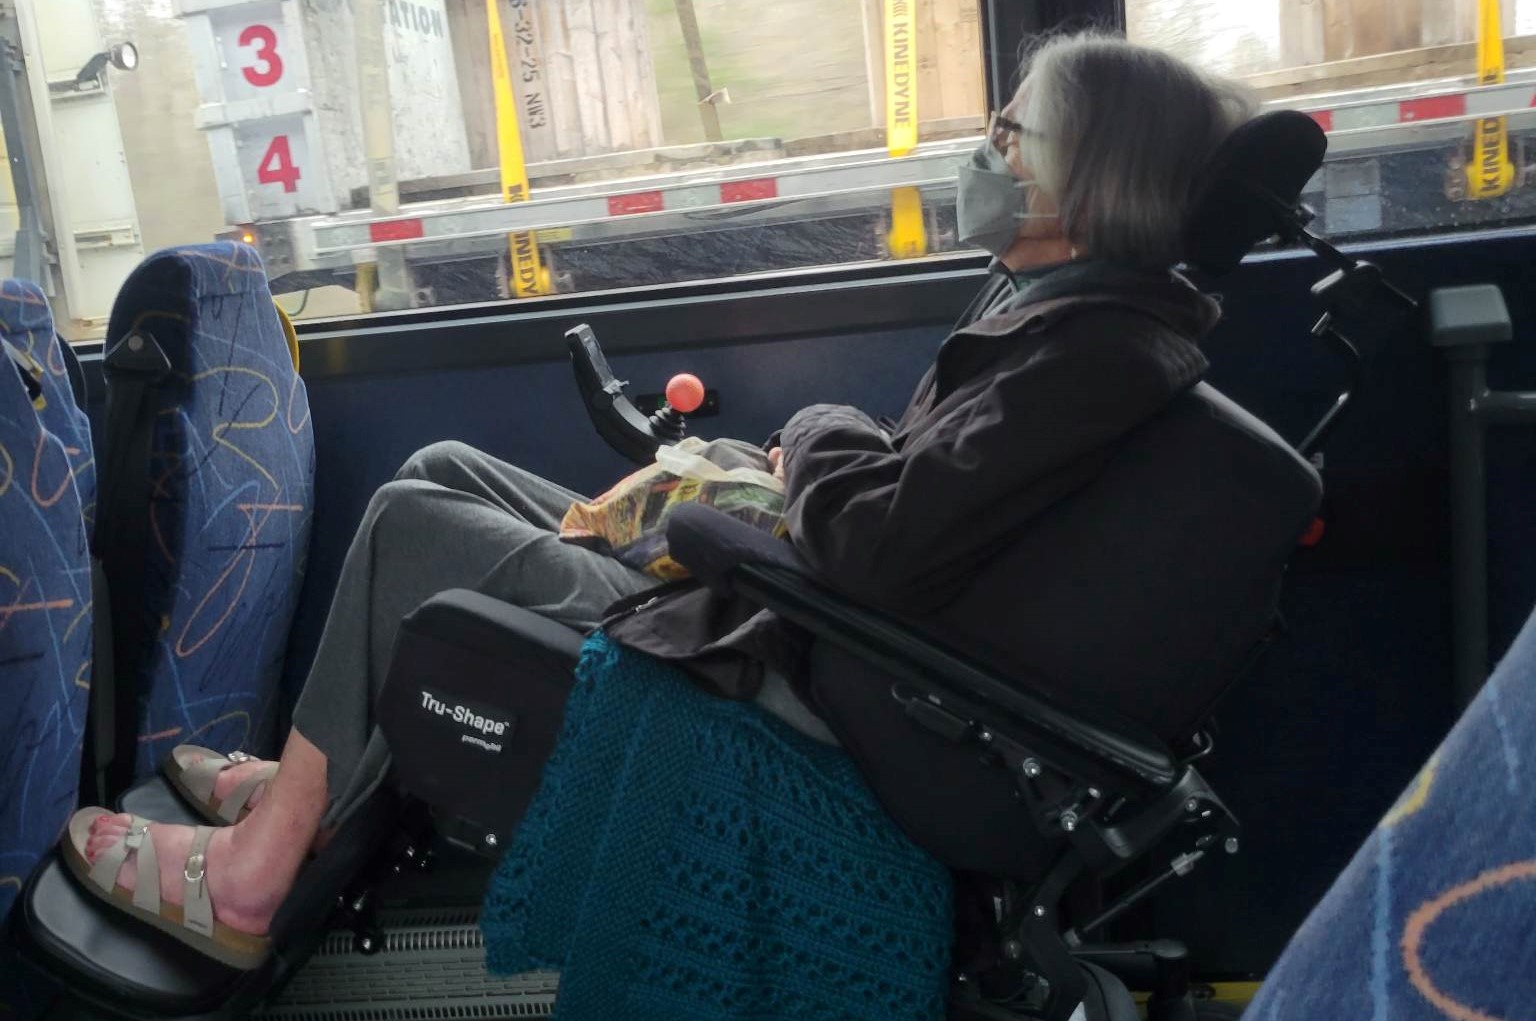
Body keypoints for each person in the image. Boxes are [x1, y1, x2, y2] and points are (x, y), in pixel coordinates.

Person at [65, 32, 1258, 967]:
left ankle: (255, 872)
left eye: (1014, 133)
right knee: (439, 468)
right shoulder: (1073, 327)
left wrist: (812, 438)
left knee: (408, 528)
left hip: (796, 662)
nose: (987, 151)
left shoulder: (1092, 359)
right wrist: (786, 469)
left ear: (1091, 183)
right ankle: (312, 785)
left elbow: (883, 546)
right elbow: (916, 514)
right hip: (809, 611)